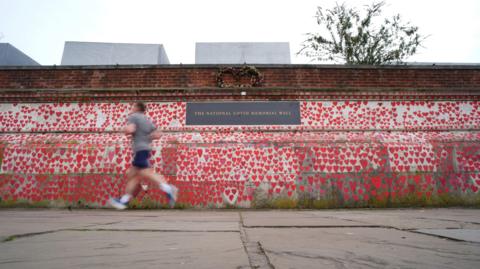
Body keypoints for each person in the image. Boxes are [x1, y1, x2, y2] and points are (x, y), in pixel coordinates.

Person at [109, 102, 178, 209]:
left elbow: (130, 130)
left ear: (137, 108)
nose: (131, 109)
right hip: (145, 149)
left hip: (140, 150)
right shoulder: (147, 120)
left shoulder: (134, 117)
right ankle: (124, 200)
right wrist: (148, 138)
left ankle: (168, 188)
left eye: (132, 107)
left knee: (145, 172)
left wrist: (123, 130)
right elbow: (159, 134)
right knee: (133, 175)